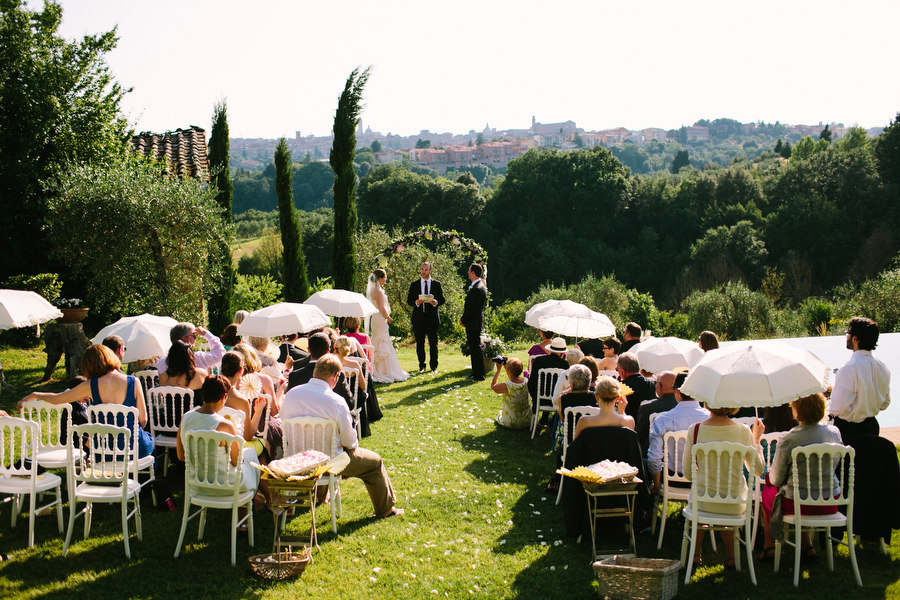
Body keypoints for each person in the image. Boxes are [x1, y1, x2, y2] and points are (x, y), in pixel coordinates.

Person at [280, 355, 403, 518]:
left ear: (315, 372)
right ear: (335, 376)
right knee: (374, 462)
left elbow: (283, 421)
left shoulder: (291, 394)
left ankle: (321, 495)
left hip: (298, 459)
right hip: (328, 463)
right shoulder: (336, 401)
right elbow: (349, 441)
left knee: (324, 450)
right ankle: (386, 509)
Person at [19, 344, 154, 458]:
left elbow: (58, 399)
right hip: (135, 448)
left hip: (104, 450)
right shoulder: (133, 381)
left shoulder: (91, 385)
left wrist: (36, 394)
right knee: (148, 441)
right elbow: (143, 419)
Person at [757, 393, 842, 563]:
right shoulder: (834, 433)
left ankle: (769, 546)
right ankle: (807, 545)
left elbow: (775, 478)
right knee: (799, 489)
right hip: (829, 500)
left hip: (799, 504)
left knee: (769, 488)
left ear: (796, 411)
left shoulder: (789, 438)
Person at [682, 400, 764, 568]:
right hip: (735, 502)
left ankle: (696, 554)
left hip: (703, 503)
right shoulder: (743, 431)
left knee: (703, 496)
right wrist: (756, 440)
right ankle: (731, 556)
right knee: (720, 500)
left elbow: (689, 474)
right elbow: (758, 470)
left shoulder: (695, 430)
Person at [176, 375, 260, 508]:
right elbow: (236, 461)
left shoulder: (186, 418)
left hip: (197, 485)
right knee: (251, 455)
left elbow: (181, 456)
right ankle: (250, 506)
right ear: (223, 397)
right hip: (226, 484)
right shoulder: (224, 425)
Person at [646, 372, 710, 495]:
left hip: (672, 479)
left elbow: (654, 458)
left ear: (677, 392)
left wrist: (657, 485)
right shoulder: (709, 419)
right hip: (703, 480)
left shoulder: (662, 420)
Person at [830, 317, 890, 441]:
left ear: (855, 338)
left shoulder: (848, 369)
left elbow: (838, 408)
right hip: (872, 427)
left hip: (848, 431)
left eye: (848, 333)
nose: (846, 336)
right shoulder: (882, 367)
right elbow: (885, 403)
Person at [366, 268, 410, 383]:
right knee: (383, 340)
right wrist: (388, 317)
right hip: (380, 318)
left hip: (375, 319)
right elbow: (381, 307)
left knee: (378, 339)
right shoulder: (378, 290)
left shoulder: (373, 289)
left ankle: (378, 369)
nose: (385, 280)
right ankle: (384, 371)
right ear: (380, 278)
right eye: (385, 277)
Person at [406, 262, 446, 373]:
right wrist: (416, 302)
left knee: (433, 344)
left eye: (426, 269)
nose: (423, 271)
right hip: (418, 319)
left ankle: (434, 367)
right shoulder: (414, 284)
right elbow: (409, 301)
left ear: (430, 271)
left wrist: (436, 302)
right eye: (422, 269)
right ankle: (421, 365)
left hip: (432, 319)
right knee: (420, 343)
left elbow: (442, 299)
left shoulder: (436, 284)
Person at [528, 337, 569, 426]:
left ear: (550, 349)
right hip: (556, 401)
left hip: (539, 398)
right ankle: (552, 420)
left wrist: (535, 398)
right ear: (562, 352)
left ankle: (545, 418)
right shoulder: (565, 365)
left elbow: (531, 382)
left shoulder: (539, 361)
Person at [635, 370, 677, 455]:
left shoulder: (647, 408)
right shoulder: (682, 407)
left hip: (653, 457)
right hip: (679, 457)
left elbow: (640, 438)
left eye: (655, 383)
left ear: (660, 387)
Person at [157, 323, 225, 374]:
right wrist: (205, 334)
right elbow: (221, 353)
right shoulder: (198, 357)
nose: (196, 338)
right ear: (185, 338)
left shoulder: (162, 362)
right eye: (194, 335)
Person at [460, 263, 487, 381]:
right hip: (474, 322)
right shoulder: (479, 285)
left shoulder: (477, 288)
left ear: (473, 272)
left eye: (469, 270)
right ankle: (475, 371)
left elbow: (472, 309)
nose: (467, 272)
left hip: (473, 322)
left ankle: (479, 374)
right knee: (473, 347)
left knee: (475, 348)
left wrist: (463, 319)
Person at [158, 340, 207, 406]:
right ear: (190, 356)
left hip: (172, 415)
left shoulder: (163, 377)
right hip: (196, 416)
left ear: (171, 357)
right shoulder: (201, 374)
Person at [490, 358, 530, 430]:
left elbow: (493, 386)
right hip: (526, 421)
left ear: (509, 370)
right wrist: (506, 366)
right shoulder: (526, 381)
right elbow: (512, 379)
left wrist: (498, 370)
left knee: (499, 415)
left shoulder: (507, 386)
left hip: (511, 422)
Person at [616, 353, 657, 419]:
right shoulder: (652, 384)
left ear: (622, 372)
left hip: (629, 424)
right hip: (649, 424)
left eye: (617, 369)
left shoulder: (621, 388)